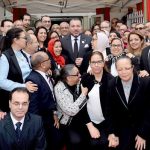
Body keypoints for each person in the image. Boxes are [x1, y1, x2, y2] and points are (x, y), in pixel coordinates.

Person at [107, 56, 150, 150]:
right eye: (120, 69)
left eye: (127, 68)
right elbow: (110, 111)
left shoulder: (145, 82)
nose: (124, 72)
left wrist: (143, 134)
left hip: (143, 128)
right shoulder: (111, 84)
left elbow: (149, 111)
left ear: (132, 67)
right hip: (122, 130)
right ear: (116, 70)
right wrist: (113, 132)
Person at [81, 51, 118, 150]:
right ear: (90, 64)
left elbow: (113, 110)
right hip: (88, 121)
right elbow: (81, 105)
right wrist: (90, 126)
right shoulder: (85, 78)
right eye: (93, 62)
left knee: (106, 144)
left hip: (106, 122)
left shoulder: (111, 81)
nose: (96, 65)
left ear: (103, 63)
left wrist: (112, 132)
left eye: (99, 62)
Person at [25, 51, 63, 150]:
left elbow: (49, 96)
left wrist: (54, 113)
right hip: (43, 123)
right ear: (42, 65)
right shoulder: (33, 80)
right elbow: (33, 107)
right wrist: (38, 129)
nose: (51, 61)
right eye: (48, 60)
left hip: (50, 117)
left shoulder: (44, 74)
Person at [0, 28, 37, 112]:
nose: (26, 41)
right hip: (11, 100)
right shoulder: (5, 57)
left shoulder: (22, 54)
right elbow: (1, 82)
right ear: (15, 40)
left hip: (25, 96)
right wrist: (24, 86)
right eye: (24, 38)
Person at [54, 64, 88, 150]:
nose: (79, 75)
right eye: (77, 74)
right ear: (69, 77)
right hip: (68, 123)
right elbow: (71, 111)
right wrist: (83, 95)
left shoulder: (77, 82)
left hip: (79, 119)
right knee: (76, 141)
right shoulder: (59, 88)